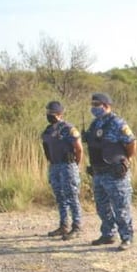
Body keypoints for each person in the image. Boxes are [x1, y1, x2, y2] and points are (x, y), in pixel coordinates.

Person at [83, 92, 137, 251]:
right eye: (92, 105)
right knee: (102, 206)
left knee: (121, 207)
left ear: (106, 105)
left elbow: (131, 143)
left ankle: (126, 237)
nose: (94, 108)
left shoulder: (117, 123)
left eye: (97, 105)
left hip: (115, 172)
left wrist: (127, 158)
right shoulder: (95, 124)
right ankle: (108, 234)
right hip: (98, 172)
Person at [41, 100, 84, 240]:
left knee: (71, 196)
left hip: (68, 165)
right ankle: (63, 225)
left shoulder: (68, 128)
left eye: (52, 113)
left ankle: (77, 226)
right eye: (48, 113)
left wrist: (75, 165)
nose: (49, 115)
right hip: (54, 166)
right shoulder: (48, 130)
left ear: (60, 114)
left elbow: (79, 149)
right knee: (60, 197)